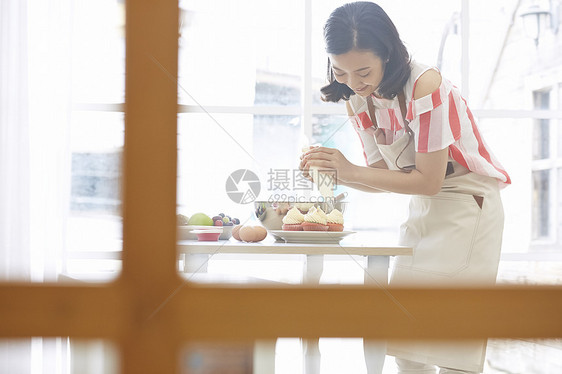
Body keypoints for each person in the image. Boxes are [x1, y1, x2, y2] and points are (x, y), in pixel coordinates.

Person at [300, 2, 511, 374]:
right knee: (405, 346)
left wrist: (350, 170)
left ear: (388, 53)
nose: (353, 82)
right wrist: (333, 173)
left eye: (363, 71)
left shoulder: (424, 85)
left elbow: (428, 181)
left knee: (452, 349)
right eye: (340, 71)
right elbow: (384, 179)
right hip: (424, 207)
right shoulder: (358, 101)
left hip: (467, 205)